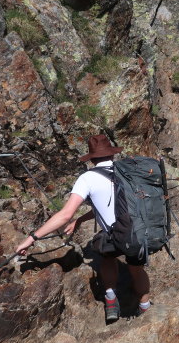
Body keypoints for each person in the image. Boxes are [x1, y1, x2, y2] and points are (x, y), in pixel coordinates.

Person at [16, 134, 151, 321]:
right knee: (137, 269)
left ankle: (111, 299)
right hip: (137, 232)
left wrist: (31, 239)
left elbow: (65, 215)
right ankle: (145, 308)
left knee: (106, 255)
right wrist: (79, 221)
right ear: (112, 154)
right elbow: (118, 206)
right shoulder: (126, 172)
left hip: (114, 236)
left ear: (92, 158)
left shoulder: (87, 178)